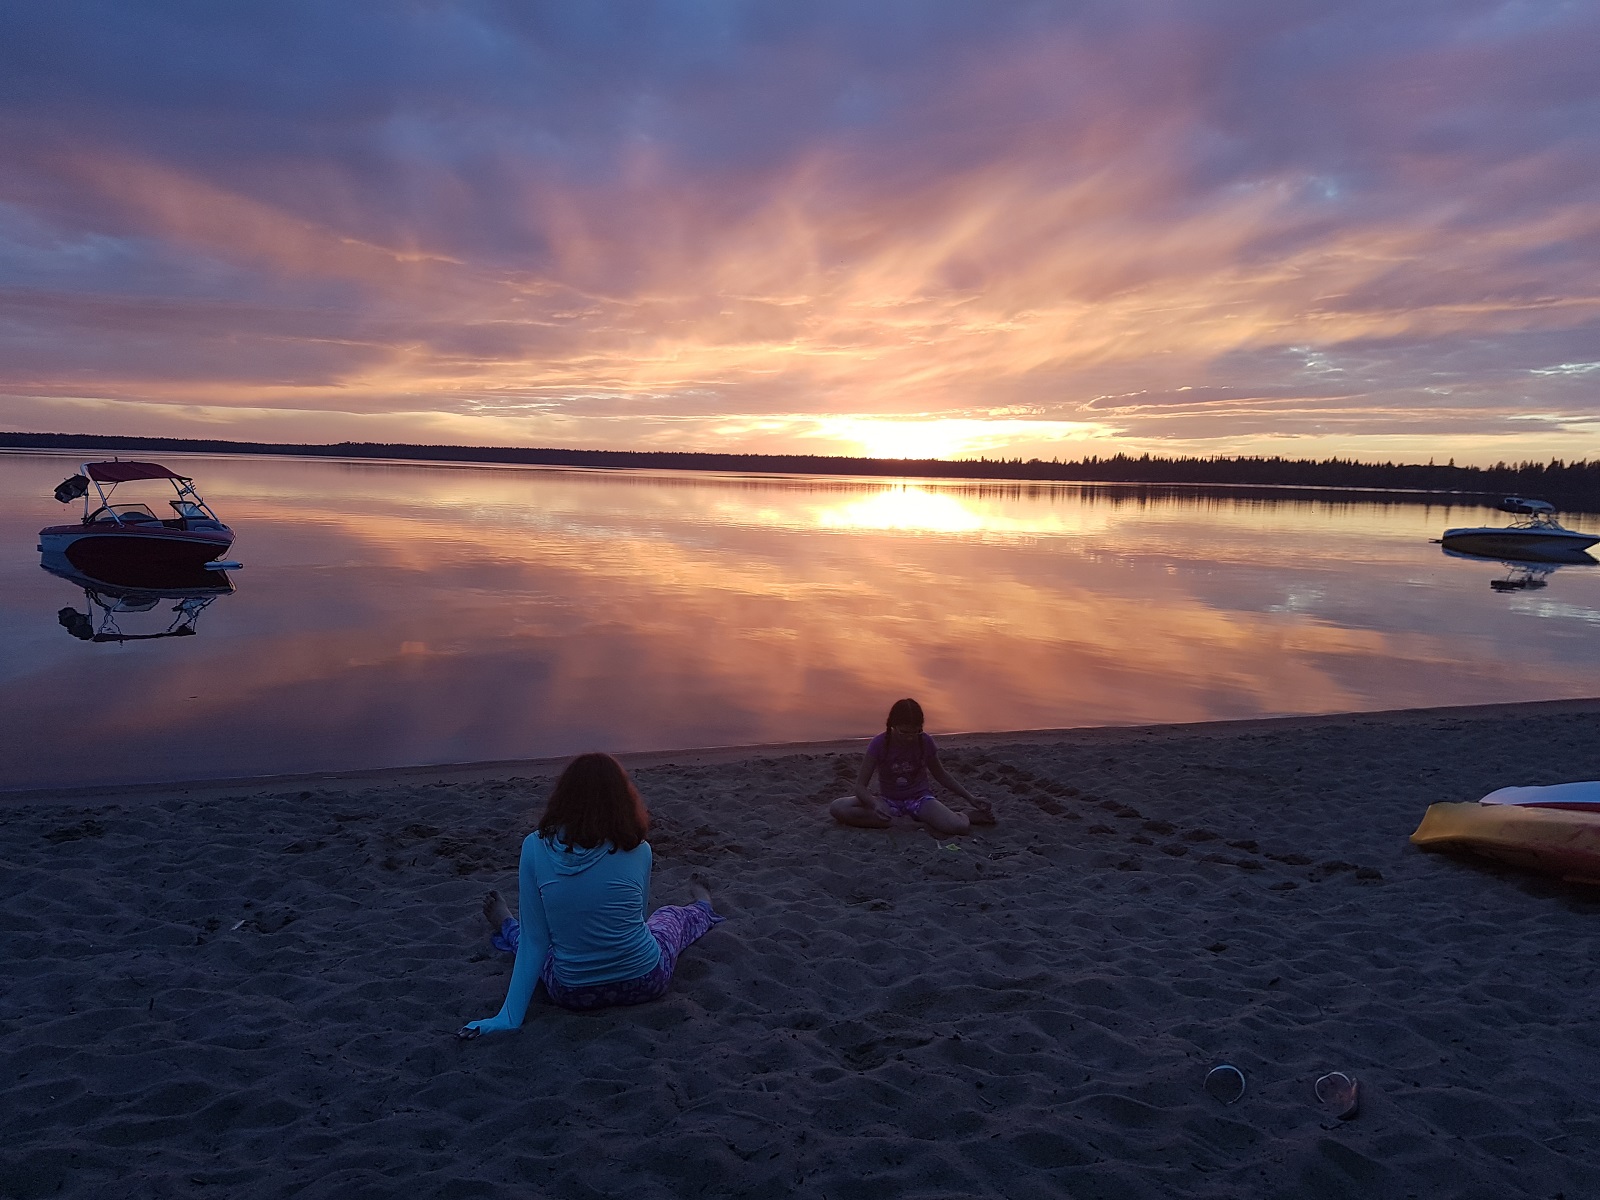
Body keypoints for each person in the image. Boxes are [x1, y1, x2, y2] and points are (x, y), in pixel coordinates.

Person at [459, 752, 722, 1035]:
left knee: (537, 939)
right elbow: (641, 918)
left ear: (563, 797)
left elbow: (536, 940)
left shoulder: (534, 847)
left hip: (573, 993)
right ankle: (704, 905)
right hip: (646, 981)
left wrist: (508, 1018)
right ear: (622, 799)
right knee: (670, 916)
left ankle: (508, 925)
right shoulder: (639, 849)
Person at [828, 698, 996, 836]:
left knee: (958, 828)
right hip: (888, 801)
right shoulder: (879, 743)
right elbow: (860, 787)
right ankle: (904, 822)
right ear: (892, 726)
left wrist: (970, 798)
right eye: (904, 732)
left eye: (915, 732)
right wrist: (874, 804)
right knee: (838, 808)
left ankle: (964, 815)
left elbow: (941, 775)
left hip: (920, 800)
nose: (910, 738)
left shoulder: (925, 742)